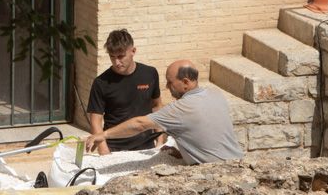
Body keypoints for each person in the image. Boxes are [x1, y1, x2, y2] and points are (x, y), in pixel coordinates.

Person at [84, 60, 244, 165]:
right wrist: (185, 152)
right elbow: (206, 134)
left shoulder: (180, 109)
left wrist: (103, 135)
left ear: (186, 82)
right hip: (238, 163)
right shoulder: (216, 94)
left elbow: (140, 124)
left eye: (170, 82)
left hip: (216, 174)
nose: (167, 87)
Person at [86, 29, 162, 154]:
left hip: (146, 145)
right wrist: (105, 152)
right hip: (115, 148)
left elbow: (156, 107)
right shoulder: (101, 83)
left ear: (133, 51)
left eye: (121, 56)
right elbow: (96, 121)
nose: (117, 62)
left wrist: (159, 140)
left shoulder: (150, 73)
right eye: (112, 57)